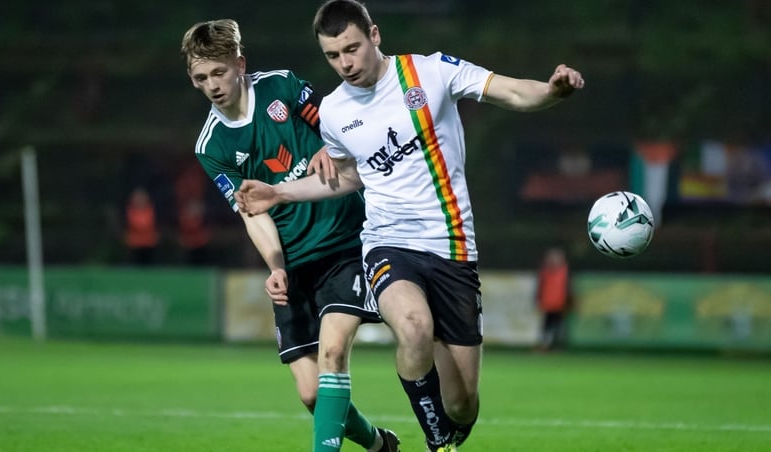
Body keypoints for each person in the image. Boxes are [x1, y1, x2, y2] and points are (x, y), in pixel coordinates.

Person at [235, 1, 585, 450]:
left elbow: (515, 92)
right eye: (333, 55)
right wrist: (279, 193)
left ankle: (449, 425)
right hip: (388, 243)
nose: (344, 63)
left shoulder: (432, 72)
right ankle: (438, 443)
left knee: (463, 405)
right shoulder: (335, 110)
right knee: (414, 327)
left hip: (453, 248)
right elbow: (349, 176)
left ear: (375, 35)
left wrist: (553, 91)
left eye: (352, 49)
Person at [180, 19, 399, 452]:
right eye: (201, 78)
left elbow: (336, 121)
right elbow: (252, 213)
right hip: (294, 264)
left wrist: (330, 144)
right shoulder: (211, 147)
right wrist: (276, 267)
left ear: (239, 64)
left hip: (344, 245)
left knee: (333, 354)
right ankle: (379, 445)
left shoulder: (280, 86)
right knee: (312, 394)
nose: (212, 85)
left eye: (219, 72)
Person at [535, 247, 571, 351]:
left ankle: (557, 346)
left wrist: (568, 301)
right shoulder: (544, 271)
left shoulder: (565, 271)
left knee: (558, 326)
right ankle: (545, 346)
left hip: (560, 304)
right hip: (547, 304)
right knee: (547, 325)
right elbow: (540, 287)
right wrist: (538, 299)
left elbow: (568, 288)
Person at [124, 186, 159, 266]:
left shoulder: (151, 210)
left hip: (149, 243)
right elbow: (134, 225)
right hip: (134, 244)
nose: (139, 200)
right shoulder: (130, 211)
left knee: (148, 265)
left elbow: (150, 224)